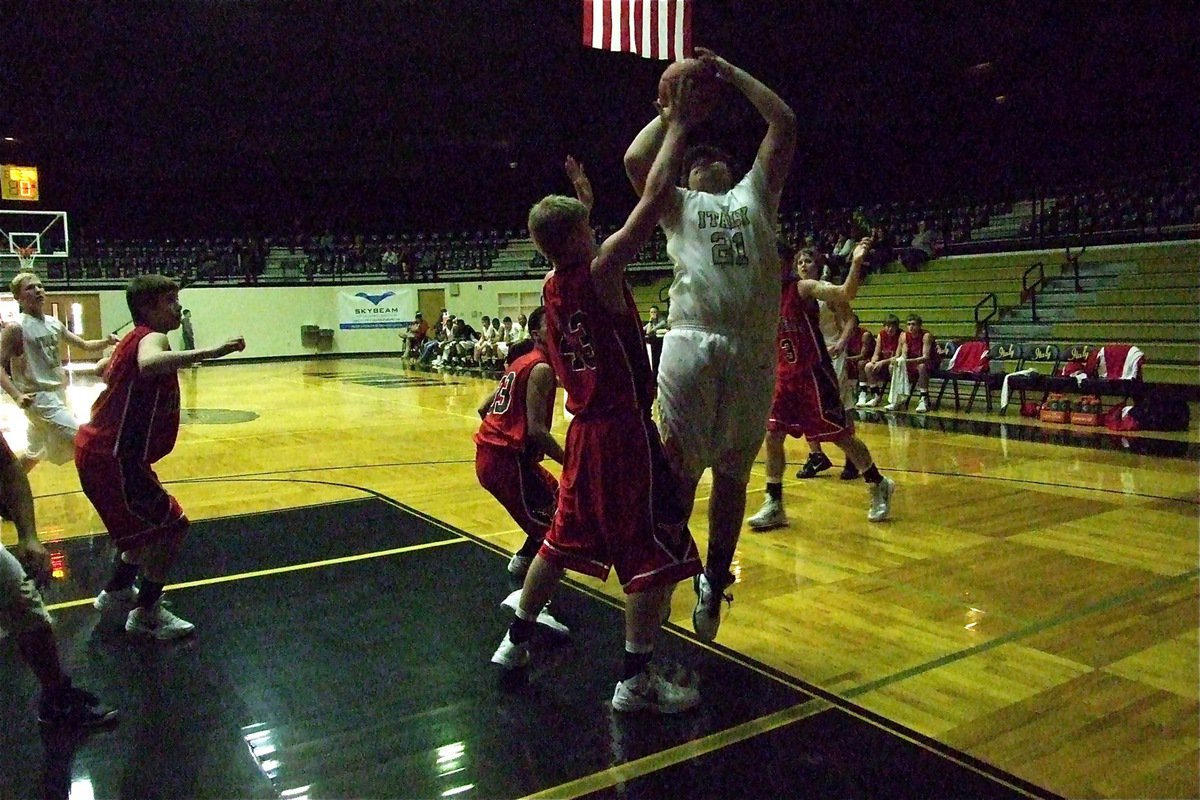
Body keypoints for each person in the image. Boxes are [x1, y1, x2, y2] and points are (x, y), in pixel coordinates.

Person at [492, 76, 704, 714]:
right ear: (581, 236)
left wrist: (580, 200)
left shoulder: (552, 285)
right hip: (621, 431)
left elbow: (571, 234)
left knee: (559, 543)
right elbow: (656, 195)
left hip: (582, 430)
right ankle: (635, 682)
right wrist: (679, 124)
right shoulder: (606, 268)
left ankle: (514, 641)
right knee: (654, 552)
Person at [623, 47, 796, 642]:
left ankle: (715, 579)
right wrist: (673, 115)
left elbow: (784, 123)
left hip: (751, 349)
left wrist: (729, 72)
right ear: (688, 178)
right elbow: (636, 160)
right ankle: (665, 577)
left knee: (732, 477)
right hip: (692, 343)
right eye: (696, 164)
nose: (707, 166)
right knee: (679, 473)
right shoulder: (676, 207)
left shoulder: (756, 199)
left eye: (715, 161)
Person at [78, 275, 245, 640]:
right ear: (148, 308)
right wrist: (210, 353)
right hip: (116, 457)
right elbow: (150, 364)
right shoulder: (152, 338)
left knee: (140, 535)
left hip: (99, 452)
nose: (177, 306)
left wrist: (110, 362)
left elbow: (102, 367)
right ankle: (147, 612)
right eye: (170, 300)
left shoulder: (131, 339)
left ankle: (118, 591)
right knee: (173, 527)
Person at [746, 241, 896, 531]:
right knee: (772, 436)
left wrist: (855, 263)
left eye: (771, 258)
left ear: (785, 262)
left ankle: (878, 483)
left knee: (840, 437)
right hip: (782, 378)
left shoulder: (802, 288)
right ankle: (774, 502)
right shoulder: (763, 295)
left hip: (813, 376)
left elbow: (845, 293)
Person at [0, 366, 119, 728]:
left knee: (24, 603)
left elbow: (8, 468)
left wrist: (30, 537)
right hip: (41, 399)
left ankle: (56, 697)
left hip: (44, 396)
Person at [474, 307, 570, 636]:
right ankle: (532, 604)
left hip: (498, 457)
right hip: (505, 462)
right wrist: (571, 460)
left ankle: (523, 559)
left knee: (557, 499)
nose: (558, 328)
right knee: (555, 533)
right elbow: (535, 431)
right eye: (551, 325)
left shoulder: (520, 362)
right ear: (536, 333)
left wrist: (499, 429)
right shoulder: (540, 368)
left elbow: (484, 407)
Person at [0, 272, 120, 472]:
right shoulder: (16, 328)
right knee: (86, 440)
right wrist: (17, 395)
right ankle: (113, 490)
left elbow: (84, 344)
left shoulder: (53, 323)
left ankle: (6, 492)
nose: (38, 290)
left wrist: (106, 341)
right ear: (18, 297)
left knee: (33, 454)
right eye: (30, 287)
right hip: (38, 398)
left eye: (40, 286)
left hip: (58, 394)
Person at [793, 249, 858, 480]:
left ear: (817, 265)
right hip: (806, 357)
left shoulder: (825, 290)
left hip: (831, 353)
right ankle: (816, 455)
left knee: (840, 407)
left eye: (808, 261)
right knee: (804, 406)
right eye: (799, 261)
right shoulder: (794, 292)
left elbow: (851, 319)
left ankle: (853, 456)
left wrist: (841, 342)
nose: (803, 265)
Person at [884, 314, 937, 413]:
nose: (911, 327)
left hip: (929, 364)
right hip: (912, 362)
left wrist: (905, 361)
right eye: (908, 324)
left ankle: (923, 398)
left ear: (919, 325)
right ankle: (897, 399)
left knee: (921, 367)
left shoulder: (926, 336)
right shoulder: (904, 336)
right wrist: (898, 360)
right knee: (893, 366)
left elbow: (925, 357)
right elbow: (902, 354)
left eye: (913, 324)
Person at [860, 314, 902, 407]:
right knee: (868, 366)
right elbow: (876, 353)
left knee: (892, 366)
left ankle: (895, 399)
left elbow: (897, 356)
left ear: (897, 327)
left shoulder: (902, 335)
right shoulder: (881, 334)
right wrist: (874, 362)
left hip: (895, 364)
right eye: (887, 326)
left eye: (892, 326)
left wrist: (881, 362)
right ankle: (876, 395)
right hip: (883, 364)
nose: (889, 329)